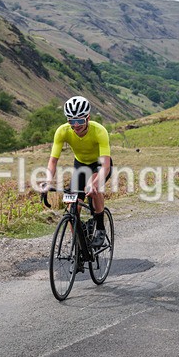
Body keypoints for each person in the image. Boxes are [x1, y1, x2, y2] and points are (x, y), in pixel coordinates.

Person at [40, 96, 112, 247]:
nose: (76, 125)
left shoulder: (99, 131)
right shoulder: (62, 131)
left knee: (92, 187)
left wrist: (94, 184)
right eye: (72, 121)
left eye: (80, 121)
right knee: (71, 205)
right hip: (80, 165)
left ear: (88, 118)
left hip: (99, 165)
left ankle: (100, 228)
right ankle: (79, 243)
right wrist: (47, 181)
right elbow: (53, 161)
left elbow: (105, 166)